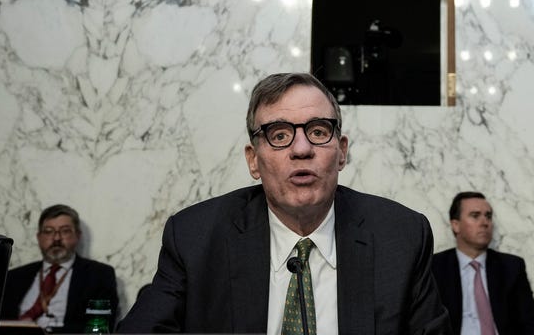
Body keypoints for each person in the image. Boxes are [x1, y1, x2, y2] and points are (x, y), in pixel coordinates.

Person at [118, 72, 449, 334]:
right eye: (279, 135)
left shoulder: (401, 236)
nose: (301, 149)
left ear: (342, 152)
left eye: (318, 131)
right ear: (253, 161)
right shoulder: (196, 237)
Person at [431, 191, 534, 335]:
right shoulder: (435, 267)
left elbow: (529, 324)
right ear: (455, 225)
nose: (484, 223)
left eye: (488, 216)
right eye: (475, 216)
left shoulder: (511, 267)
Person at [0, 204, 119, 332]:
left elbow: (101, 326)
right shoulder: (14, 277)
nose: (56, 238)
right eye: (48, 231)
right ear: (39, 237)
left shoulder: (99, 275)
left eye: (65, 231)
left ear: (77, 235)